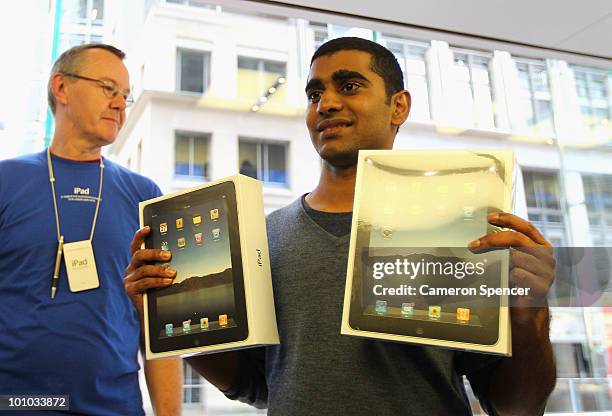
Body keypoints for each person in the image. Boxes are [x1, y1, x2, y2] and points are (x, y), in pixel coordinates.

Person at [125, 37, 556, 415]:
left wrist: (531, 313)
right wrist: (162, 314)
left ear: (398, 106)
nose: (326, 103)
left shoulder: (463, 232)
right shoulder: (264, 239)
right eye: (315, 93)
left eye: (349, 86)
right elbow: (256, 386)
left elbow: (516, 406)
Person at [0, 44, 182, 415]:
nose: (120, 104)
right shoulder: (6, 181)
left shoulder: (145, 196)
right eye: (107, 88)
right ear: (61, 88)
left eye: (125, 96)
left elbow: (160, 328)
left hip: (114, 406)